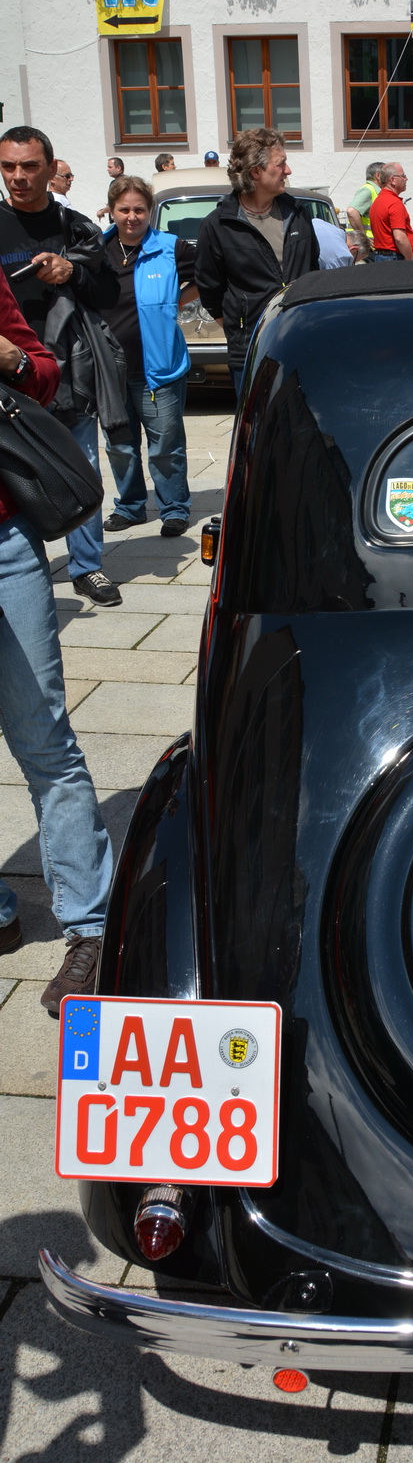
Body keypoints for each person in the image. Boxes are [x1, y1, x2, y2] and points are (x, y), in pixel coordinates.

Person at [0, 271, 114, 1014]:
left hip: (4, 545)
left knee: (45, 738)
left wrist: (8, 358)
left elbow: (43, 374)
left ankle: (91, 929)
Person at [0, 125, 123, 606]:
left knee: (80, 466)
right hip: (8, 376)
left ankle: (87, 566)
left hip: (67, 369)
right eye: (8, 166)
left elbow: (111, 293)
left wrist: (73, 272)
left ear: (51, 169)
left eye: (30, 166)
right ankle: (24, 567)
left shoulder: (76, 227)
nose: (18, 177)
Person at [194, 127, 320, 397]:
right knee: (258, 434)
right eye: (281, 163)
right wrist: (242, 326)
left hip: (301, 342)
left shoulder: (297, 214)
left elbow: (313, 270)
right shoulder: (218, 225)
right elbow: (210, 289)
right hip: (252, 351)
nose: (288, 171)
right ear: (256, 172)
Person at [101, 175, 193, 536]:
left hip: (159, 369)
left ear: (150, 211)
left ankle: (173, 508)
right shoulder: (96, 250)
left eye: (140, 209)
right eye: (123, 209)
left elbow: (210, 275)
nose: (132, 216)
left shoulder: (172, 248)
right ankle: (130, 506)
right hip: (110, 371)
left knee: (165, 447)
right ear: (111, 211)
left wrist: (174, 304)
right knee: (120, 445)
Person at [367, 162, 413, 261]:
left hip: (381, 256)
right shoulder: (394, 202)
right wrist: (410, 258)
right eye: (403, 176)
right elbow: (399, 237)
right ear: (393, 180)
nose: (406, 179)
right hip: (394, 258)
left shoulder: (378, 200)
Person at [346, 161, 386, 247]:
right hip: (364, 246)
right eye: (386, 174)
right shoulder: (368, 190)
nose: (389, 177)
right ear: (378, 175)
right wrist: (363, 238)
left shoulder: (376, 191)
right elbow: (351, 211)